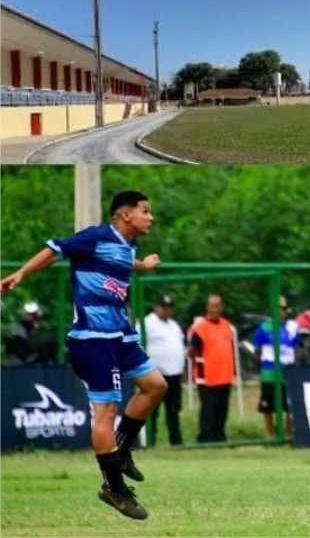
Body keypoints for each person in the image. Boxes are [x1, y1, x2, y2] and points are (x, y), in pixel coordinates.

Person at [0, 190, 165, 519]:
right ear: (125, 214)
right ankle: (114, 488)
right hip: (93, 338)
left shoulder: (127, 245)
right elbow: (54, 249)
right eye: (145, 211)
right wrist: (21, 274)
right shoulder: (95, 236)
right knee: (105, 411)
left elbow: (122, 262)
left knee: (155, 385)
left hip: (119, 335)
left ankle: (121, 448)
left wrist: (142, 266)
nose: (151, 217)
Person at [188, 294, 236, 443]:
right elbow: (192, 350)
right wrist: (197, 363)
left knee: (222, 408)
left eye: (217, 306)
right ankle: (205, 437)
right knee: (208, 408)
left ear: (221, 307)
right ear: (207, 307)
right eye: (212, 306)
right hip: (207, 376)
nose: (214, 309)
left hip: (225, 375)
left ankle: (220, 436)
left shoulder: (226, 325)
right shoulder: (200, 327)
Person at [252, 296, 298, 440]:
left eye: (283, 309)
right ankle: (271, 434)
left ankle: (289, 433)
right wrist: (263, 364)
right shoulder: (264, 327)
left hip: (288, 372)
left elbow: (296, 348)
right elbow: (257, 351)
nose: (280, 312)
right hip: (269, 373)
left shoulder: (292, 327)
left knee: (289, 405)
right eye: (277, 309)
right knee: (268, 406)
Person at [142, 295, 186, 446]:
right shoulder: (147, 323)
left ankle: (176, 440)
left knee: (173, 410)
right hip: (156, 374)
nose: (166, 310)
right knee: (152, 410)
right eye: (163, 307)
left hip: (174, 375)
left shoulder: (174, 325)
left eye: (169, 307)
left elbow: (179, 346)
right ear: (156, 307)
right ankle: (150, 440)